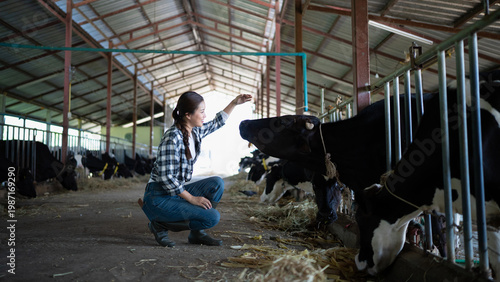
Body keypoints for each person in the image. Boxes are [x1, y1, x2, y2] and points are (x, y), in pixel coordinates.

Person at [141, 91, 252, 247]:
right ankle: (159, 224)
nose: (205, 115)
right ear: (188, 115)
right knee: (212, 217)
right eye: (202, 111)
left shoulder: (194, 132)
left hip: (173, 194)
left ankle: (197, 234)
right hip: (158, 197)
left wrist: (234, 102)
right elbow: (167, 178)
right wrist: (192, 199)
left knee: (217, 183)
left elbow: (217, 122)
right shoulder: (172, 138)